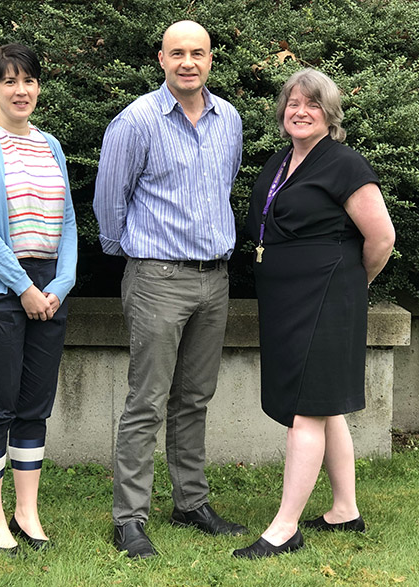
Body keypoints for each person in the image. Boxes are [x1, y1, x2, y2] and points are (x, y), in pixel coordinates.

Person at [93, 20, 246, 558]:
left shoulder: (230, 119)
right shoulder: (135, 121)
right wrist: (135, 257)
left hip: (215, 280)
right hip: (157, 276)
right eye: (177, 53)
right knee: (147, 401)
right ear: (161, 58)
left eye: (198, 53)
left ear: (210, 59)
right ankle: (128, 519)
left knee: (195, 398)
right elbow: (108, 203)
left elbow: (222, 188)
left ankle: (190, 502)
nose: (188, 62)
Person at [233, 68, 395, 559]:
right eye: (293, 104)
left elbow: (382, 237)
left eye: (312, 105)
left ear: (330, 114)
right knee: (324, 407)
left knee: (305, 410)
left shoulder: (344, 164)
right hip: (289, 299)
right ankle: (345, 508)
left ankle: (284, 527)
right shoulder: (284, 160)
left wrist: (349, 285)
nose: (300, 112)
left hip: (327, 297)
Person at [0, 43, 77, 556]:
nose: (20, 90)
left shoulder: (51, 144)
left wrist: (60, 285)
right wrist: (23, 288)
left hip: (49, 289)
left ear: (38, 87)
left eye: (28, 80)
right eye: (9, 81)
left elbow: (68, 220)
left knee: (33, 407)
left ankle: (27, 512)